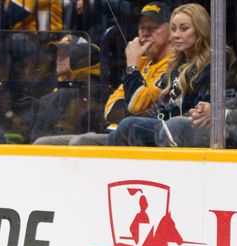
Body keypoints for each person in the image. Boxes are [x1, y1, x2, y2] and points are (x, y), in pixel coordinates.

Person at [34, 2, 173, 146]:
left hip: (137, 137)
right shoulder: (142, 63)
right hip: (113, 132)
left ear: (171, 32)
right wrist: (133, 108)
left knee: (81, 142)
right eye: (142, 28)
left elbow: (135, 105)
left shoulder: (172, 66)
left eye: (153, 28)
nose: (145, 33)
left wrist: (131, 67)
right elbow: (110, 108)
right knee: (42, 143)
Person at [111, 3, 211, 147]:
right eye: (174, 29)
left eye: (184, 29)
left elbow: (135, 105)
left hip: (189, 128)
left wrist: (132, 66)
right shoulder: (175, 65)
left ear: (200, 30)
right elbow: (114, 106)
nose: (176, 35)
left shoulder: (211, 64)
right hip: (166, 124)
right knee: (117, 132)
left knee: (129, 126)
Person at [165, 0, 237, 148]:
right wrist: (204, 110)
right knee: (130, 125)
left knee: (176, 128)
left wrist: (220, 113)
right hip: (235, 129)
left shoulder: (217, 60)